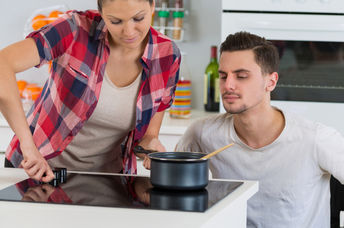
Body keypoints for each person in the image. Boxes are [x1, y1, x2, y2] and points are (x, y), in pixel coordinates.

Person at [175, 31, 344, 228]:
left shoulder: (316, 139)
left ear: (271, 82)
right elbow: (173, 191)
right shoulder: (202, 133)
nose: (228, 85)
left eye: (241, 76)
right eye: (223, 76)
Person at [0, 0, 181, 183]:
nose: (129, 31)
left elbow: (149, 135)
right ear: (101, 13)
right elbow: (2, 63)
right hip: (41, 171)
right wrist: (28, 146)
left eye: (138, 18)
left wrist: (151, 145)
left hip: (107, 180)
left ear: (153, 7)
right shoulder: (75, 29)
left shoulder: (167, 55)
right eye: (116, 21)